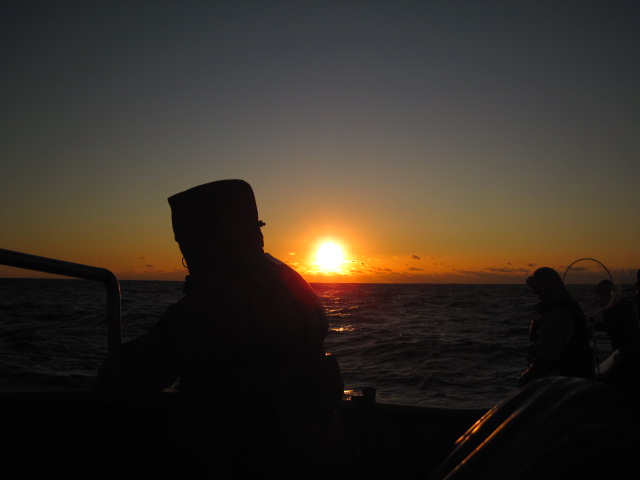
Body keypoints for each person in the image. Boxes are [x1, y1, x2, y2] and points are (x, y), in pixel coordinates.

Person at [99, 179, 350, 478]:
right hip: (322, 449)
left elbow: (144, 367)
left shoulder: (220, 295)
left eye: (186, 240)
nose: (186, 253)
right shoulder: (289, 278)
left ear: (206, 238)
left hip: (259, 458)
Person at [518, 267, 595, 387]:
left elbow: (547, 358)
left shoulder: (556, 314)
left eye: (537, 288)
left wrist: (524, 380)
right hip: (578, 379)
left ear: (546, 287)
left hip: (565, 384)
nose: (535, 293)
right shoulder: (569, 306)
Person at [592, 279, 640, 399]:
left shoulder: (615, 306)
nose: (599, 296)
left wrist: (593, 325)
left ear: (607, 292)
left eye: (601, 293)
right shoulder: (618, 303)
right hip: (627, 346)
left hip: (628, 347)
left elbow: (611, 324)